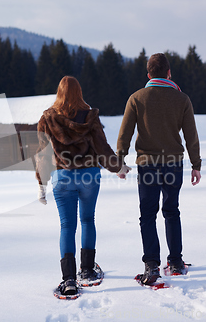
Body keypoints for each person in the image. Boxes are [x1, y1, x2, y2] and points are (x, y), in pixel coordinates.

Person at [35, 76, 130, 298]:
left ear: (59, 93)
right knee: (88, 219)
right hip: (89, 175)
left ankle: (68, 279)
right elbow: (102, 148)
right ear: (79, 92)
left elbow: (42, 154)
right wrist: (118, 168)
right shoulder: (90, 117)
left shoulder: (47, 118)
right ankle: (87, 271)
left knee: (67, 226)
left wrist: (41, 184)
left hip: (62, 176)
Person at [116, 53, 202, 285]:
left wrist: (120, 161)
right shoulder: (182, 99)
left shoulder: (136, 98)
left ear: (148, 74)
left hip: (147, 165)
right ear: (169, 73)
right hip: (174, 164)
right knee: (172, 211)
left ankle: (151, 263)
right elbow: (191, 135)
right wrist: (196, 165)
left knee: (147, 215)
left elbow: (125, 133)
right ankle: (175, 261)